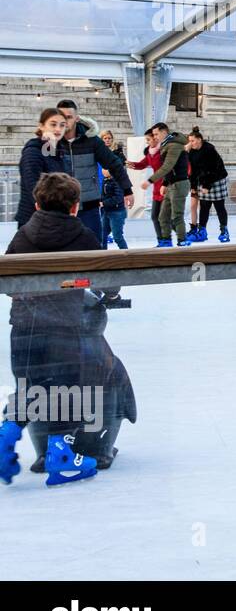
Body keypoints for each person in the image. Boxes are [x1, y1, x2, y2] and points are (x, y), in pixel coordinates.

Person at [1, 173, 137, 487]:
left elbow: (9, 280)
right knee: (69, 392)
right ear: (76, 207)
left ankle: (6, 433)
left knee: (31, 388)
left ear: (36, 204)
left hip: (23, 328)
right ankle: (61, 456)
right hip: (65, 331)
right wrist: (111, 294)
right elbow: (107, 277)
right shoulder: (83, 236)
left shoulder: (23, 235)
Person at [54, 99, 133, 245]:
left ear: (77, 118)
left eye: (69, 117)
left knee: (94, 247)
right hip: (61, 208)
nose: (65, 121)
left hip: (88, 207)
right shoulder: (51, 143)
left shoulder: (92, 141)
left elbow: (114, 163)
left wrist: (127, 189)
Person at [16, 108, 73, 229]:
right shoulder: (32, 152)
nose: (58, 129)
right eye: (53, 124)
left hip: (58, 219)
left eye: (62, 125)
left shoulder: (59, 152)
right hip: (34, 221)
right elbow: (34, 189)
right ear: (41, 126)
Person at [142, 122, 191, 248]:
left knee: (176, 216)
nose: (155, 137)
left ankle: (182, 240)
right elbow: (169, 169)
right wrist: (164, 183)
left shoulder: (174, 145)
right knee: (162, 216)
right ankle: (166, 241)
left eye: (156, 134)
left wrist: (150, 181)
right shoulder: (166, 145)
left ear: (164, 132)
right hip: (171, 185)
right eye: (153, 135)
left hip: (179, 184)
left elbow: (167, 166)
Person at [184, 128, 231, 243]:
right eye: (189, 141)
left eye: (193, 141)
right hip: (203, 181)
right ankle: (202, 231)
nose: (191, 143)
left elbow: (213, 169)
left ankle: (224, 230)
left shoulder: (209, 149)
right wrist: (194, 187)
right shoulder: (191, 152)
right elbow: (193, 172)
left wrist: (207, 185)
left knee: (219, 206)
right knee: (204, 207)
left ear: (200, 140)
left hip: (216, 179)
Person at [128, 126, 166, 244]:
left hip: (166, 186)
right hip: (156, 189)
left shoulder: (163, 151)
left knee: (166, 217)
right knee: (154, 216)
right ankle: (161, 240)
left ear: (155, 138)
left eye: (149, 139)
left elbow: (167, 169)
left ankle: (179, 236)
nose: (147, 142)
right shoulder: (150, 153)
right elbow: (142, 164)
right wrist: (132, 164)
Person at [98, 131, 129, 250]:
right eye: (105, 138)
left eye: (109, 138)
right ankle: (103, 255)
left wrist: (103, 203)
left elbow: (118, 196)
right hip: (106, 209)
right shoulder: (99, 154)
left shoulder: (116, 156)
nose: (107, 140)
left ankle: (127, 256)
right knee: (102, 235)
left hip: (116, 210)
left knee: (117, 237)